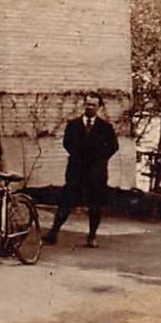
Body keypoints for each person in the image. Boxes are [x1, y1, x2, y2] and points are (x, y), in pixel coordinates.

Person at [46, 94, 120, 248]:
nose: (89, 107)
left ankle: (92, 236)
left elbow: (113, 147)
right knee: (66, 201)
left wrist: (99, 159)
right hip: (76, 170)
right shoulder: (73, 125)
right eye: (87, 104)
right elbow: (67, 143)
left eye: (93, 105)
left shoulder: (105, 127)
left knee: (95, 204)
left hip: (96, 172)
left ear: (99, 107)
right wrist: (78, 155)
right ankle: (53, 233)